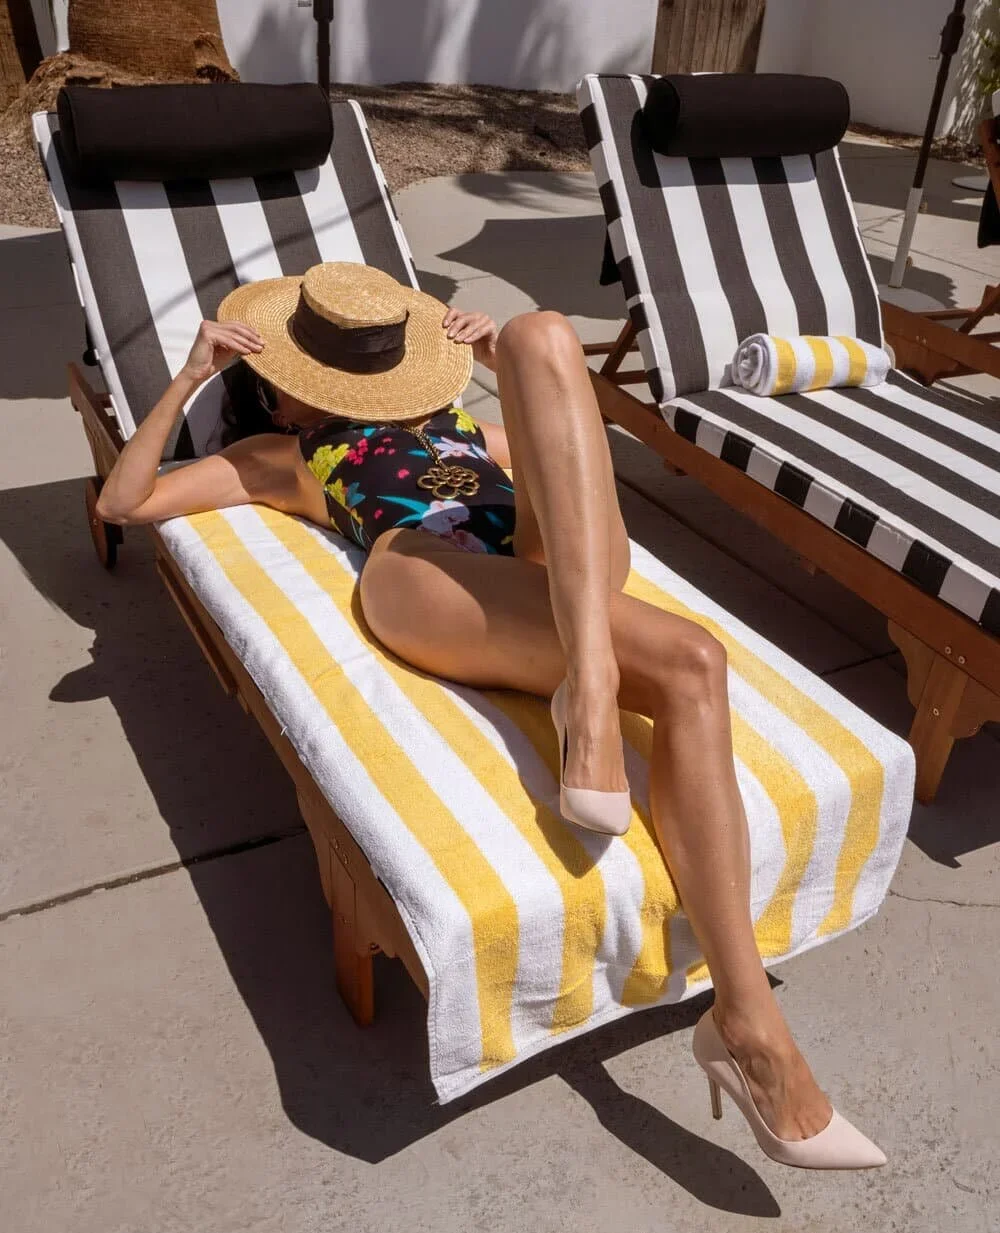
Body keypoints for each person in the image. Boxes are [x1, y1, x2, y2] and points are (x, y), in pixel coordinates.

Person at [97, 261, 884, 1169]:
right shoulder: (282, 454)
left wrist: (507, 369)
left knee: (543, 333)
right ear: (278, 398)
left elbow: (568, 459)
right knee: (695, 660)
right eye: (297, 379)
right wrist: (192, 377)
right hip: (430, 575)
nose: (316, 389)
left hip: (544, 568)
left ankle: (587, 683)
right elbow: (125, 500)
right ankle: (752, 1027)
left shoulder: (462, 425)